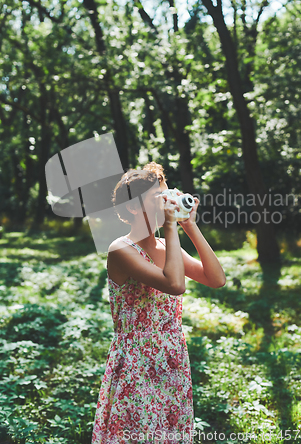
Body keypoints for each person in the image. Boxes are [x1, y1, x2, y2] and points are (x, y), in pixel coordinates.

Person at [92, 162, 226, 444]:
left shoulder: (166, 247)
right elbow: (175, 285)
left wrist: (189, 225)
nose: (167, 203)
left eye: (168, 196)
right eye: (159, 198)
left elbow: (216, 279)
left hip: (172, 358)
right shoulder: (121, 250)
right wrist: (170, 227)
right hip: (136, 362)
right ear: (132, 207)